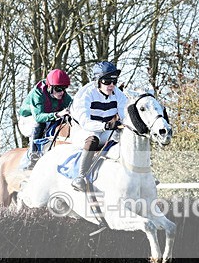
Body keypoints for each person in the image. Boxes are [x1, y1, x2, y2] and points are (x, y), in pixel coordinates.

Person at [69, 61, 130, 191]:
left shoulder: (118, 94)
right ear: (97, 81)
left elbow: (124, 114)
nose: (111, 85)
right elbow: (85, 122)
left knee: (125, 138)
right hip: (82, 131)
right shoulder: (85, 95)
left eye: (114, 81)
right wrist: (105, 126)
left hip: (105, 129)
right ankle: (81, 177)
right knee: (93, 138)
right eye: (107, 81)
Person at [18, 68, 74, 169]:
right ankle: (33, 158)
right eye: (58, 89)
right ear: (50, 87)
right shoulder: (38, 93)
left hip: (48, 118)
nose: (62, 92)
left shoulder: (63, 95)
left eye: (64, 88)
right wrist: (57, 114)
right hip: (28, 119)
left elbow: (74, 107)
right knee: (39, 124)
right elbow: (38, 117)